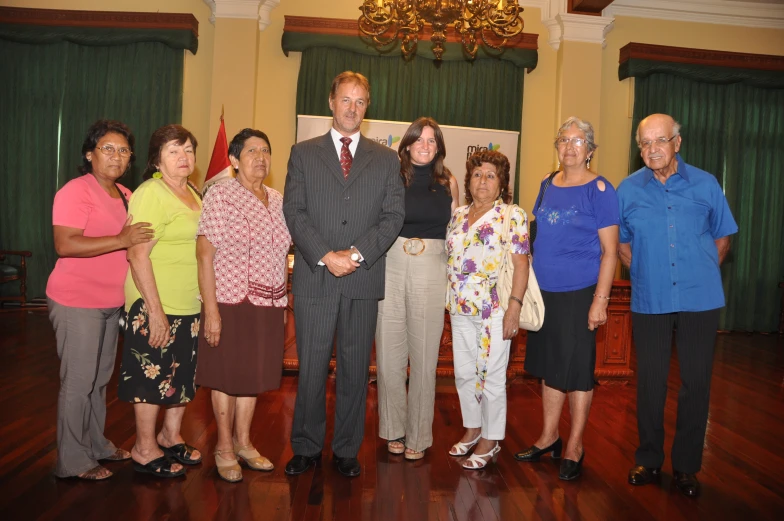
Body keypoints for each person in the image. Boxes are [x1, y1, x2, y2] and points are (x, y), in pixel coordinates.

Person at [282, 71, 405, 478]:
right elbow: (294, 212)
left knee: (355, 369)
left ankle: (348, 449)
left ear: (367, 108)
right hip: (316, 278)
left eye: (360, 101)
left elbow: (393, 217)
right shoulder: (303, 153)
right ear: (331, 102)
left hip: (362, 278)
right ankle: (305, 447)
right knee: (312, 367)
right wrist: (324, 255)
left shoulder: (387, 159)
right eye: (346, 99)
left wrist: (355, 255)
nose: (352, 108)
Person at [618, 113, 738, 497]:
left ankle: (686, 466)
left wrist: (698, 273)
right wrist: (644, 272)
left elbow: (722, 238)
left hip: (699, 299)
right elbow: (621, 243)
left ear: (677, 143)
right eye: (645, 144)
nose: (652, 150)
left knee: (695, 383)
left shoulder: (706, 183)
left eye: (660, 141)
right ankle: (649, 459)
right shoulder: (628, 189)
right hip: (649, 298)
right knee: (650, 382)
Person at [46, 120, 153, 480]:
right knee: (78, 382)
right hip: (77, 301)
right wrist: (123, 239)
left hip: (111, 303)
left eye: (124, 150)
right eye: (108, 148)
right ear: (89, 154)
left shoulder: (125, 193)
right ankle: (72, 462)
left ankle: (96, 444)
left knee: (98, 380)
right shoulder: (75, 192)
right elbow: (66, 244)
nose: (117, 156)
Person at [514, 117, 619, 481]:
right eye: (564, 139)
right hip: (544, 294)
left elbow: (610, 252)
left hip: (581, 293)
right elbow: (536, 233)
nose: (570, 146)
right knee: (550, 367)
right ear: (556, 146)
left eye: (578, 140)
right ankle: (548, 436)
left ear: (590, 150)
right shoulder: (546, 183)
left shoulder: (601, 190)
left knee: (576, 371)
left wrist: (600, 300)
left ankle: (574, 444)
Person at [196, 129, 291, 482]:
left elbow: (283, 252)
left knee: (253, 374)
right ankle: (223, 446)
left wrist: (281, 303)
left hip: (268, 300)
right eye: (251, 151)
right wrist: (212, 311)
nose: (260, 157)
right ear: (234, 160)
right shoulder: (220, 195)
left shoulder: (279, 200)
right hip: (229, 299)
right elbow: (204, 255)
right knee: (226, 373)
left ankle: (244, 443)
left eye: (265, 150)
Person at [117, 124, 203, 478]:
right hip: (156, 304)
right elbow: (137, 256)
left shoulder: (193, 192)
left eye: (188, 149)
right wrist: (154, 311)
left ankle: (170, 435)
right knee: (150, 379)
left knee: (181, 376)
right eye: (173, 150)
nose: (183, 157)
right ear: (156, 159)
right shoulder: (151, 193)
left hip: (188, 303)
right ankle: (144, 447)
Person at [376, 117, 459, 460]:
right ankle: (393, 430)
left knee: (425, 356)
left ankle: (419, 435)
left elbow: (456, 230)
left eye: (432, 140)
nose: (425, 145)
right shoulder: (390, 177)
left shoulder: (448, 182)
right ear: (406, 144)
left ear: (438, 146)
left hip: (432, 266)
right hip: (390, 264)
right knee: (389, 353)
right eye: (419, 139)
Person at [445, 149, 529, 470]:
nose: (483, 181)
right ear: (469, 180)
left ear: (501, 183)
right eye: (478, 174)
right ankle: (472, 428)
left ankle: (491, 439)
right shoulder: (457, 215)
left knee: (491, 377)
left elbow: (521, 265)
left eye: (491, 175)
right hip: (459, 306)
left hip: (494, 309)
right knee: (465, 373)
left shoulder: (512, 215)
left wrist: (514, 309)